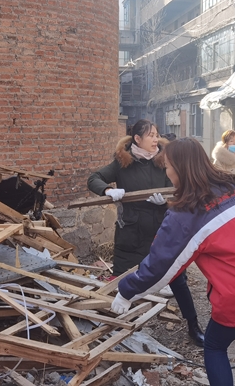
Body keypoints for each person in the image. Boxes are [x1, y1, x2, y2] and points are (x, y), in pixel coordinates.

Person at [110, 137, 235, 386]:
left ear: (179, 169)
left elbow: (161, 266)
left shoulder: (187, 212)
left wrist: (126, 292)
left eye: (168, 167)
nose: (167, 173)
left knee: (215, 346)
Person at [87, 120, 205, 346]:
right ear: (137, 139)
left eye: (156, 134)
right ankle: (119, 331)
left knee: (178, 280)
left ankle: (194, 326)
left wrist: (166, 202)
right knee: (122, 280)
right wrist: (108, 190)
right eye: (150, 135)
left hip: (162, 230)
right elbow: (94, 178)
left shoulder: (164, 160)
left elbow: (179, 191)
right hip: (131, 231)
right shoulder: (123, 162)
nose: (155, 139)